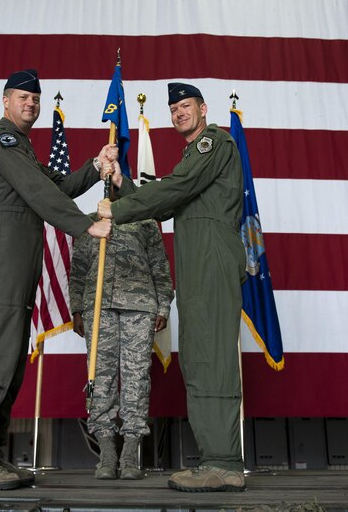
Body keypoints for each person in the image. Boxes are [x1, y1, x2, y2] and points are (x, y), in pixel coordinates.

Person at [0, 69, 116, 491]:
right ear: (5, 101)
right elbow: (34, 189)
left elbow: (53, 186)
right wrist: (83, 225)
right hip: (4, 250)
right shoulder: (0, 141)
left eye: (35, 99)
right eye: (22, 97)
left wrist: (96, 167)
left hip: (20, 255)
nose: (30, 104)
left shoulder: (21, 147)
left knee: (8, 356)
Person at [98, 82, 248, 492]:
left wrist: (117, 208)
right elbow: (165, 195)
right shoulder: (191, 156)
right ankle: (215, 459)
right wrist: (120, 183)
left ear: (203, 108)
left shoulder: (214, 143)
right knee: (198, 356)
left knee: (211, 356)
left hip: (213, 259)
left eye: (186, 106)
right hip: (199, 262)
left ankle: (223, 463)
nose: (180, 113)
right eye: (174, 109)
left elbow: (173, 191)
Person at [69, 213, 173, 480]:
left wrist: (163, 305)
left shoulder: (145, 222)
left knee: (136, 377)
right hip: (98, 306)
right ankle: (107, 454)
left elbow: (159, 265)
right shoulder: (89, 223)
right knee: (98, 377)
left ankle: (129, 453)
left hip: (139, 306)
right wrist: (77, 309)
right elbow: (79, 268)